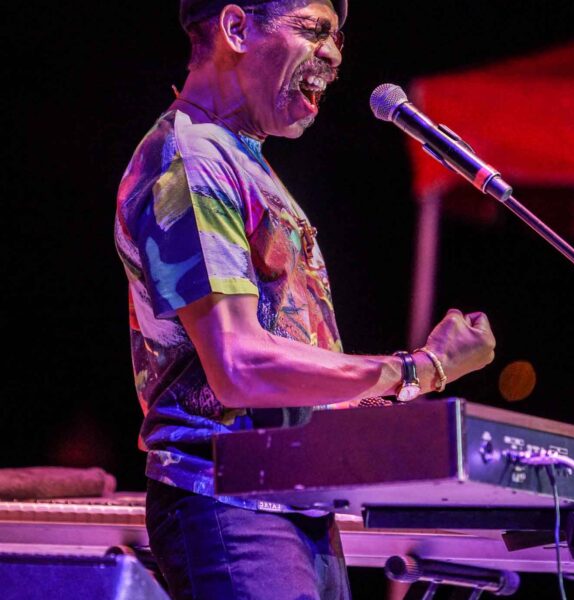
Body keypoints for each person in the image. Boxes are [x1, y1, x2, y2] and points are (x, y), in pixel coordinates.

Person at [114, 0, 496, 598]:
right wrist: (419, 370)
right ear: (236, 28)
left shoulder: (241, 161)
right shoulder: (192, 161)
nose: (335, 55)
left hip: (287, 503)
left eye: (338, 37)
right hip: (229, 503)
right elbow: (239, 367)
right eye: (314, 30)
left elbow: (283, 361)